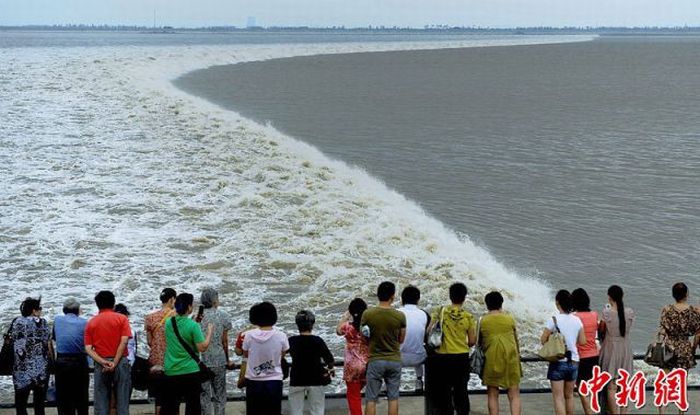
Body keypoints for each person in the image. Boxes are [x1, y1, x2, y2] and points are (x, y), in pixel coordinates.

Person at [426, 282, 476, 415]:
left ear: (450, 296)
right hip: (461, 359)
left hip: (442, 358)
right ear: (464, 298)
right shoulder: (468, 316)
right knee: (461, 393)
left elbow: (429, 331)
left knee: (444, 394)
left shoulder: (440, 311)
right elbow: (472, 341)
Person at [162, 293, 214, 415]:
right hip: (190, 371)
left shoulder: (169, 322)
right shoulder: (193, 325)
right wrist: (209, 332)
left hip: (171, 370)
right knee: (193, 406)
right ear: (190, 307)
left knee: (171, 406)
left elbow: (179, 325)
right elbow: (202, 347)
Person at [361, 281, 406, 415]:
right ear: (393, 296)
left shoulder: (368, 314)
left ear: (378, 295)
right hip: (394, 360)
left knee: (371, 399)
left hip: (375, 360)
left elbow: (364, 337)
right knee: (393, 398)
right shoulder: (399, 316)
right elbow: (401, 339)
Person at [84, 291, 132, 415]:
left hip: (101, 363)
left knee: (101, 401)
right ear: (113, 303)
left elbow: (88, 348)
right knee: (122, 402)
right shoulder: (122, 319)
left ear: (97, 304)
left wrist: (103, 362)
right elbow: (124, 341)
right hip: (120, 362)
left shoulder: (92, 322)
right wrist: (114, 362)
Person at [540, 290, 586, 415]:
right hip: (574, 361)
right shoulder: (577, 320)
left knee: (558, 398)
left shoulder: (554, 320)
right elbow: (582, 341)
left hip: (559, 361)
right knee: (569, 396)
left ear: (557, 303)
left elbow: (543, 340)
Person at [657, 283, 700, 415]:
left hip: (669, 347)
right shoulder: (694, 311)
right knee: (682, 384)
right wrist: (692, 348)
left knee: (664, 383)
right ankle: (681, 413)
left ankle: (662, 413)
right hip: (685, 348)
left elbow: (662, 330)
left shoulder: (667, 309)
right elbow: (698, 333)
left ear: (673, 295)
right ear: (687, 294)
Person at [242, 302, 289, 415]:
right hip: (274, 380)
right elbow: (282, 354)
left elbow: (245, 353)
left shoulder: (248, 335)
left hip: (253, 380)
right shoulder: (281, 336)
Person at [480, 291, 522, 415]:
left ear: (487, 305)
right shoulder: (509, 319)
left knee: (493, 394)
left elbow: (479, 343)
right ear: (501, 304)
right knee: (514, 394)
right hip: (511, 358)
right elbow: (515, 339)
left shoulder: (483, 321)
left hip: (491, 359)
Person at [9, 297, 52, 415]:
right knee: (39, 405)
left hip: (21, 370)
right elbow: (47, 344)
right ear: (34, 310)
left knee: (21, 404)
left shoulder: (16, 322)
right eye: (40, 308)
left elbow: (11, 340)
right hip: (40, 371)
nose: (41, 311)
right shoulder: (42, 322)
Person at [288, 310, 335, 415]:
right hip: (316, 379)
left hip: (297, 379)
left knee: (295, 411)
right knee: (317, 411)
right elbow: (330, 359)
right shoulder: (317, 340)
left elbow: (280, 354)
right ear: (312, 325)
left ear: (297, 325)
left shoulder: (291, 341)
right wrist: (330, 368)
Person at [598, 285, 634, 415]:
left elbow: (601, 331)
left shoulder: (606, 313)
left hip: (611, 348)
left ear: (609, 297)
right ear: (622, 296)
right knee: (624, 385)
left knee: (611, 387)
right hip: (625, 348)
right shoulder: (629, 312)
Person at [198, 288, 233, 415]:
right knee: (220, 395)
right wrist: (228, 359)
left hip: (202, 362)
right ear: (214, 301)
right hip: (218, 360)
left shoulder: (196, 317)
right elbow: (225, 341)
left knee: (204, 395)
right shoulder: (223, 316)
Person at [53, 297, 89, 415]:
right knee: (81, 397)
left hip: (62, 362)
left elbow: (54, 337)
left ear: (64, 310)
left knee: (63, 398)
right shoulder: (84, 322)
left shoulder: (57, 320)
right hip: (79, 362)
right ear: (78, 310)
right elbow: (87, 343)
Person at [144, 288, 177, 415]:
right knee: (174, 399)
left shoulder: (150, 318)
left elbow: (149, 342)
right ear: (172, 299)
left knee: (159, 399)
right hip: (172, 361)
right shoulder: (176, 317)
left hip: (156, 362)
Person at [336, 298, 370, 415]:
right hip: (367, 364)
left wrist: (346, 316)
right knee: (367, 394)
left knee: (354, 396)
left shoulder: (348, 327)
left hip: (352, 367)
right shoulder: (368, 328)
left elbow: (337, 330)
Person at [571, 288, 599, 415]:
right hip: (594, 355)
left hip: (580, 356)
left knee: (582, 389)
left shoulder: (574, 317)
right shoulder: (594, 315)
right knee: (593, 387)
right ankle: (594, 409)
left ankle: (589, 412)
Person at [398, 285, 429, 390]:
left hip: (398, 358)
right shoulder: (424, 314)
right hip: (419, 358)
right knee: (419, 346)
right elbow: (427, 338)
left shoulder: (396, 313)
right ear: (418, 299)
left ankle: (391, 382)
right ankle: (419, 380)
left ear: (402, 299)